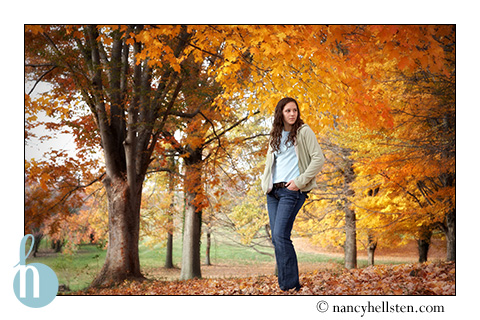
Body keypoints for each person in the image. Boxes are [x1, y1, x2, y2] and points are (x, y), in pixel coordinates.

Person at [261, 97, 325, 291]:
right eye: (288, 110)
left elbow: (319, 159)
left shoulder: (303, 132)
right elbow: (270, 164)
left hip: (291, 191)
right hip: (273, 192)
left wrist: (299, 181)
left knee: (281, 236)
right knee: (277, 238)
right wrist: (266, 185)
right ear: (281, 113)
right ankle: (284, 285)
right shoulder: (275, 134)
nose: (292, 114)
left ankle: (291, 285)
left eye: (294, 110)